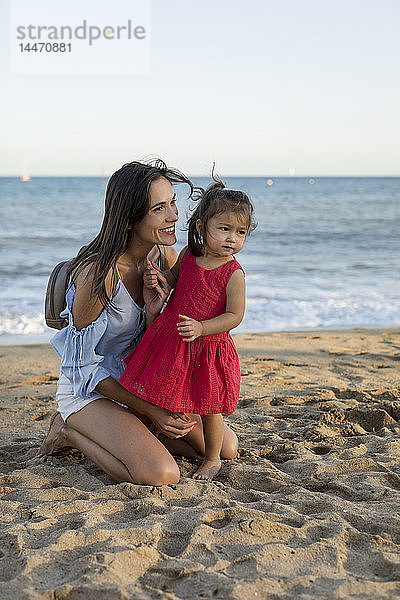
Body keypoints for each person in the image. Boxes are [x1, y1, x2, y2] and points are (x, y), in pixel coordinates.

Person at [40, 160, 239, 486]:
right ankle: (67, 430)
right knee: (160, 474)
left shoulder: (165, 259)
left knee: (225, 447)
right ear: (131, 219)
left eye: (173, 202)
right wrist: (151, 411)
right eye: (159, 208)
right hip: (92, 390)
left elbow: (160, 341)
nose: (174, 216)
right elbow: (81, 368)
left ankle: (133, 428)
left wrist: (151, 315)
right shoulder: (98, 275)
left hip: (141, 382)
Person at [119, 176, 256, 480]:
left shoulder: (233, 273)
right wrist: (159, 279)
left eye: (240, 232)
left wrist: (203, 328)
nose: (232, 238)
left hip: (205, 345)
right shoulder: (189, 257)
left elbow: (235, 315)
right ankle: (148, 432)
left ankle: (211, 458)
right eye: (224, 229)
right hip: (173, 337)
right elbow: (174, 281)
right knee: (161, 387)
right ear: (201, 227)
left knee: (208, 405)